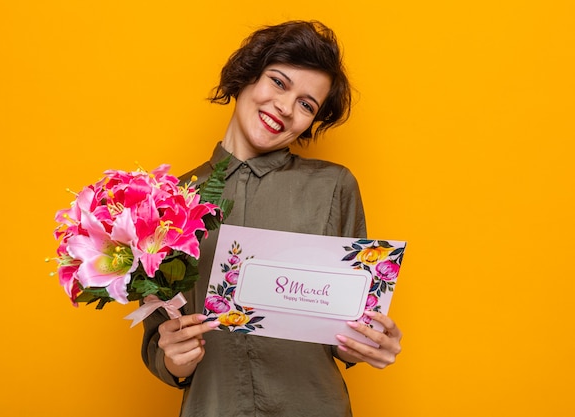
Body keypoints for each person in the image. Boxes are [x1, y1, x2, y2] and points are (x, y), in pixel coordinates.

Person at [140, 20, 402, 417]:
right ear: (247, 76)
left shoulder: (334, 187)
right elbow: (156, 335)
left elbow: (347, 324)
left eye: (306, 104)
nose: (285, 107)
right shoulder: (171, 198)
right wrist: (174, 358)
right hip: (213, 405)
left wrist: (371, 341)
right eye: (279, 83)